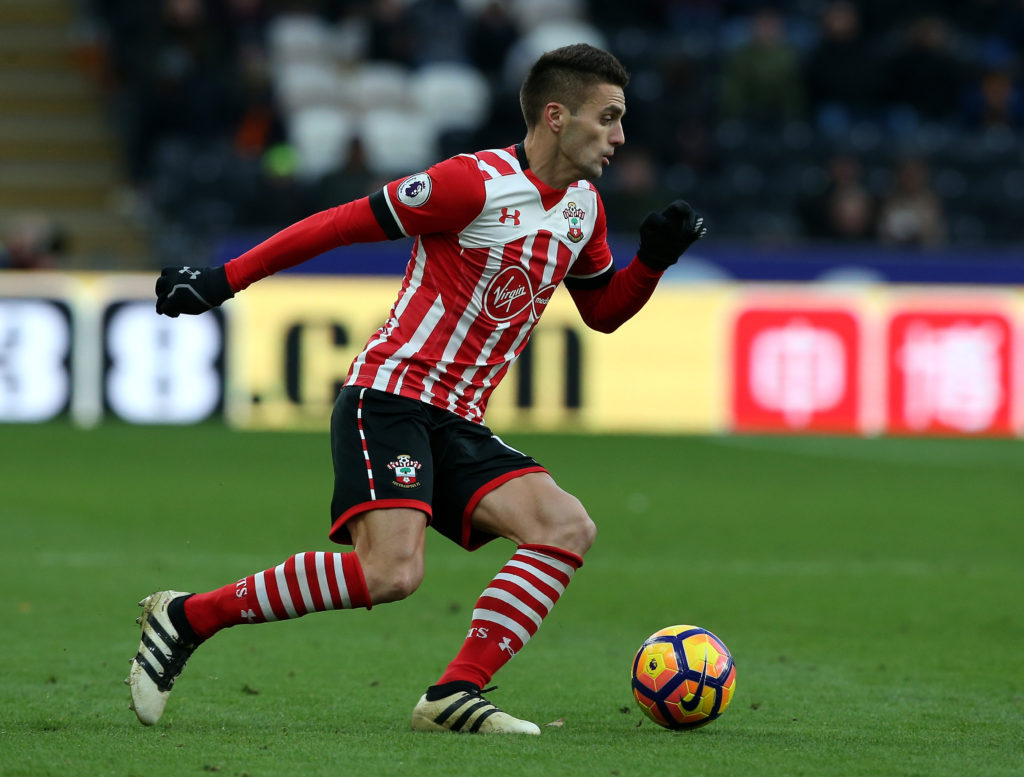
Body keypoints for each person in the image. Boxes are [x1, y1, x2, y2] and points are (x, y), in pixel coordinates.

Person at [126, 43, 706, 735]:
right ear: (557, 116)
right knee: (391, 574)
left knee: (565, 526)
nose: (618, 137)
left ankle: (453, 695)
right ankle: (188, 616)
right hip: (390, 396)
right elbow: (340, 223)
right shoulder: (472, 184)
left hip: (458, 418)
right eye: (607, 118)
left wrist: (652, 262)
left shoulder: (584, 210)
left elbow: (603, 313)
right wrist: (226, 279)